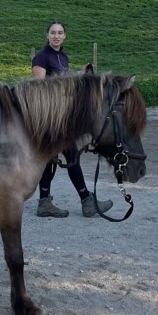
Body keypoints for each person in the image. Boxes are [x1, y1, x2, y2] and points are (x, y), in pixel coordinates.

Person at [31, 20, 114, 218]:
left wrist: (79, 74)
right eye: (53, 33)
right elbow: (39, 89)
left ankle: (46, 201)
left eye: (60, 33)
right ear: (47, 35)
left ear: (65, 36)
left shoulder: (62, 57)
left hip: (62, 116)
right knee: (66, 156)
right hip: (50, 117)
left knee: (55, 158)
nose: (56, 36)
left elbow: (63, 79)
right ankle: (84, 201)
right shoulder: (41, 58)